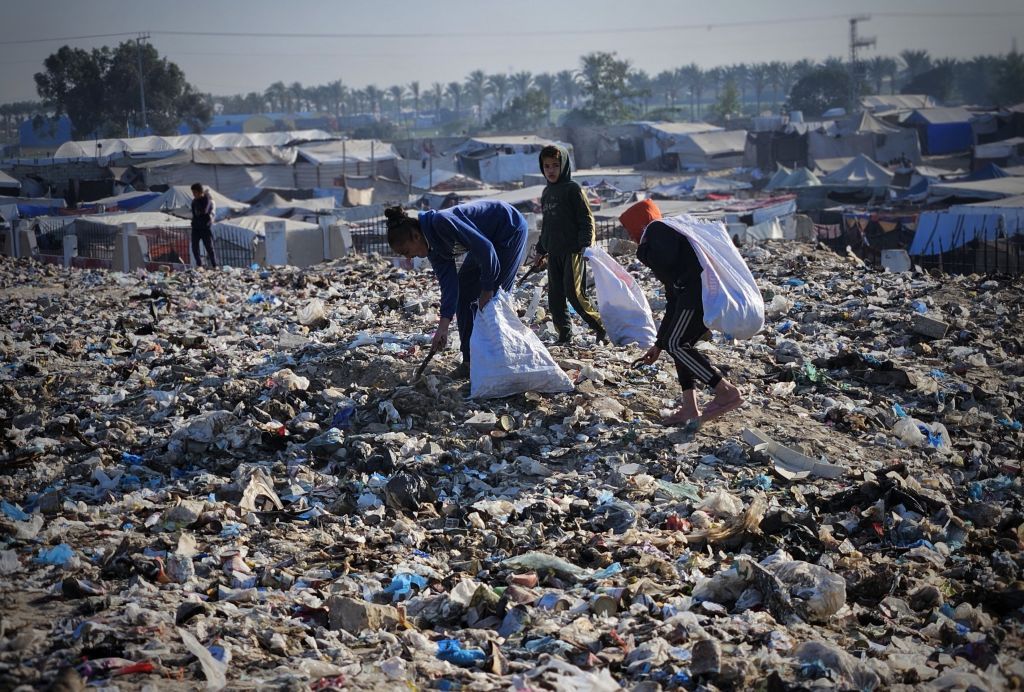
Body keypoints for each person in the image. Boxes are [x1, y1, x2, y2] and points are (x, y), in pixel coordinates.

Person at [385, 200, 529, 379]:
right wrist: (442, 327)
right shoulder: (432, 249)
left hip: (508, 228)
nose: (408, 257)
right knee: (464, 294)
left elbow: (486, 248)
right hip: (485, 242)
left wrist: (487, 289)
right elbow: (449, 286)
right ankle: (469, 362)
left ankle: (501, 363)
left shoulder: (441, 222)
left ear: (415, 236)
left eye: (406, 251)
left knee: (493, 301)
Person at [633, 218, 744, 426]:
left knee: (676, 344)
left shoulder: (658, 233)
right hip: (697, 298)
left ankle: (725, 391)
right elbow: (672, 299)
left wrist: (644, 251)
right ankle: (689, 407)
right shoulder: (677, 258)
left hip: (698, 298)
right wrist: (658, 344)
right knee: (678, 345)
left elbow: (667, 263)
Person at [530, 144, 607, 345]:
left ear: (563, 165)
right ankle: (564, 336)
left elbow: (586, 218)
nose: (551, 170)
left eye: (555, 165)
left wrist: (585, 245)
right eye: (547, 166)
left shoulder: (572, 189)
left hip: (572, 252)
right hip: (554, 253)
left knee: (574, 293)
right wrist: (540, 250)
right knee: (555, 298)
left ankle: (601, 328)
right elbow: (547, 225)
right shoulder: (547, 192)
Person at [190, 183, 217, 268]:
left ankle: (214, 265)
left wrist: (199, 201)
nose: (193, 194)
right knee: (194, 247)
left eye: (195, 192)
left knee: (209, 248)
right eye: (193, 192)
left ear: (199, 192)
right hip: (196, 228)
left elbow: (205, 211)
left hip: (205, 227)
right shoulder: (194, 202)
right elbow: (194, 214)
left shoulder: (207, 200)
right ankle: (199, 265)